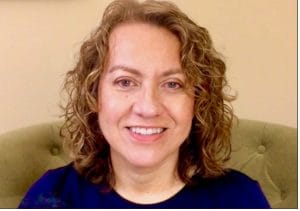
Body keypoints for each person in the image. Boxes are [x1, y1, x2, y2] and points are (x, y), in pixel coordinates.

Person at [19, 0, 270, 208]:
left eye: (172, 84)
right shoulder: (52, 197)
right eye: (125, 82)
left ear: (198, 101)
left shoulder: (241, 199)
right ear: (94, 96)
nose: (148, 108)